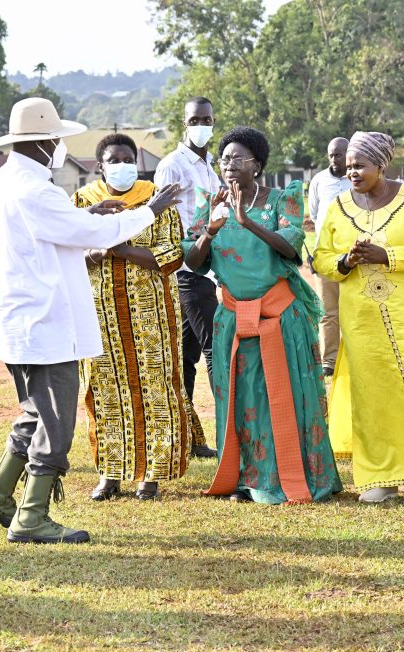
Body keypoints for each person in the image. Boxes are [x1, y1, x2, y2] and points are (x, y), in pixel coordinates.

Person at [0, 97, 182, 543]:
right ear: (43, 142)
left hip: (23, 318)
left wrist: (84, 215)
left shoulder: (3, 180)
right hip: (47, 323)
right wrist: (150, 211)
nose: (60, 147)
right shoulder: (37, 190)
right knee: (55, 422)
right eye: (57, 140)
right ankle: (32, 517)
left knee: (33, 411)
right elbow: (95, 236)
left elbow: (55, 229)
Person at [182, 126, 341, 504]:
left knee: (283, 394)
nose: (230, 165)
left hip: (280, 316)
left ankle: (292, 475)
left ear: (258, 164)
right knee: (238, 398)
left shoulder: (281, 200)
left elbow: (291, 248)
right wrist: (210, 231)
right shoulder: (211, 204)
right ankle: (243, 478)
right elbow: (192, 259)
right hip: (233, 318)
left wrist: (248, 220)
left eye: (239, 158)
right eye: (225, 159)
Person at [314, 131, 404, 506]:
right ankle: (381, 476)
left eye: (360, 165)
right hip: (361, 317)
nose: (353, 172)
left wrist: (386, 255)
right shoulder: (338, 206)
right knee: (373, 392)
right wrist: (346, 261)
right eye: (349, 166)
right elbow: (320, 257)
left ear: (381, 164)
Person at [73, 134, 190, 502]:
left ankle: (150, 475)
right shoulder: (82, 201)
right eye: (114, 159)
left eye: (129, 159)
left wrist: (119, 247)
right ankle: (110, 474)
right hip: (100, 312)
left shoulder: (157, 199)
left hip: (151, 312)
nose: (123, 165)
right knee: (105, 389)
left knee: (154, 386)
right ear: (100, 165)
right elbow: (69, 252)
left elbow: (171, 254)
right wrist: (98, 252)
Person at [154, 96, 222, 459]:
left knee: (185, 358)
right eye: (195, 119)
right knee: (214, 349)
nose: (202, 125)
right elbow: (164, 219)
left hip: (205, 269)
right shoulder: (172, 166)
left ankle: (188, 436)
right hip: (186, 272)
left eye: (207, 119)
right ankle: (228, 437)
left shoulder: (209, 167)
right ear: (184, 123)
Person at [306, 137, 351, 376]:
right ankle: (330, 360)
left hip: (354, 254)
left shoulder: (357, 179)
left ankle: (354, 356)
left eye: (340, 154)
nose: (335, 159)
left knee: (355, 309)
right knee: (328, 312)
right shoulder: (319, 180)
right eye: (332, 154)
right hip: (325, 255)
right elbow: (315, 215)